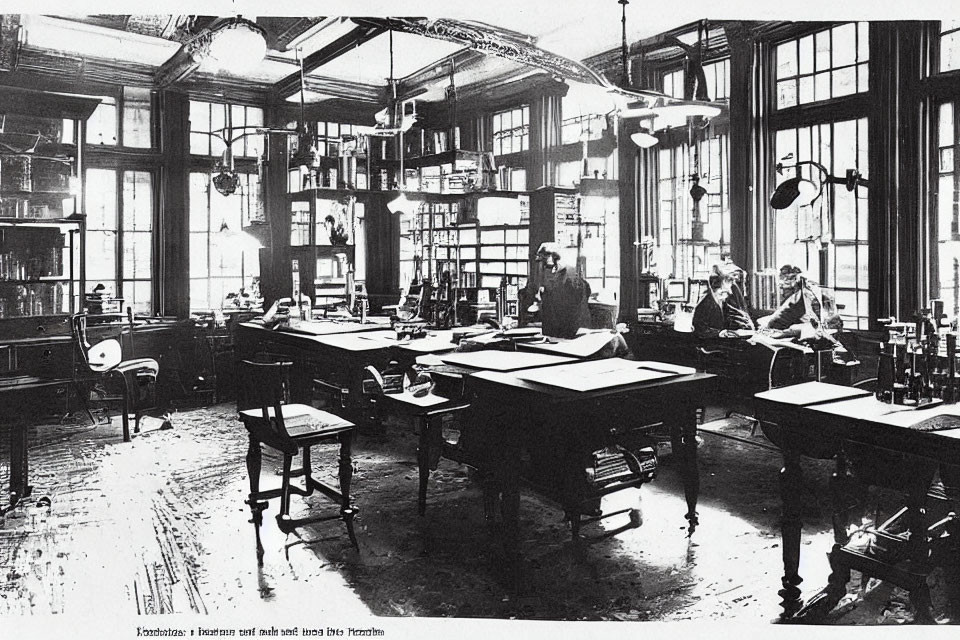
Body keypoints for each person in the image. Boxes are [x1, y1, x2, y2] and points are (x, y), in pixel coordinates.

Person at [758, 265, 842, 335]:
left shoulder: (801, 296)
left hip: (815, 329)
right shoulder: (813, 290)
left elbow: (784, 315)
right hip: (825, 328)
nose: (781, 288)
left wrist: (768, 326)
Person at [533, 242, 592, 339]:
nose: (544, 264)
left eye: (545, 258)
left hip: (569, 327)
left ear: (555, 256)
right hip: (554, 326)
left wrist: (546, 294)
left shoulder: (569, 274)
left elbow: (572, 298)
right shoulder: (555, 272)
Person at [692, 263, 756, 339]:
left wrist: (742, 323)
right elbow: (699, 330)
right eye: (723, 292)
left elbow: (730, 315)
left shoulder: (722, 301)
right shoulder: (705, 303)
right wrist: (720, 333)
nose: (727, 295)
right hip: (709, 345)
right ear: (714, 289)